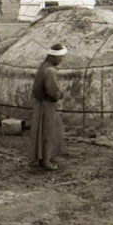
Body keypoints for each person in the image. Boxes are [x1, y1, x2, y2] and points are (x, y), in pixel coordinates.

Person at [28, 43, 67, 171]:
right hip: (46, 104)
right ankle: (46, 161)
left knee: (40, 131)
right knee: (48, 131)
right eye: (61, 57)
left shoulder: (43, 66)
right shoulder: (50, 70)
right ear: (54, 57)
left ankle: (39, 158)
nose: (62, 60)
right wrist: (59, 95)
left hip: (39, 103)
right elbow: (51, 90)